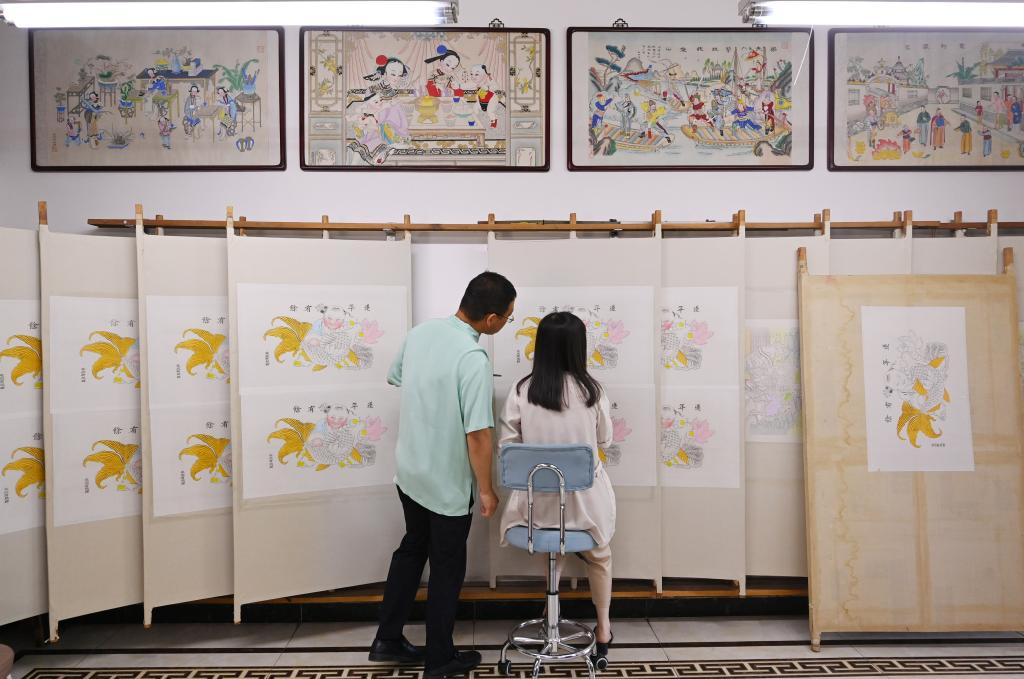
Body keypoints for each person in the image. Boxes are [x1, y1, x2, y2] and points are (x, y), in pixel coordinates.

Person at [370, 272, 517, 679]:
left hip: (410, 471)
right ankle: (439, 658)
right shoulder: (472, 358)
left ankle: (387, 638)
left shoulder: (421, 333)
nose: (507, 322)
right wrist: (486, 489)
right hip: (445, 482)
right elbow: (478, 435)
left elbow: (396, 376)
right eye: (508, 316)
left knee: (411, 549)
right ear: (491, 319)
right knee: (447, 566)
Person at [498, 311, 617, 664]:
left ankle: (551, 613)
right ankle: (604, 628)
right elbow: (605, 442)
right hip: (584, 509)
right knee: (600, 555)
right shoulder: (592, 391)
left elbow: (508, 448)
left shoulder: (522, 390)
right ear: (579, 347)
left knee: (554, 543)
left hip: (532, 511)